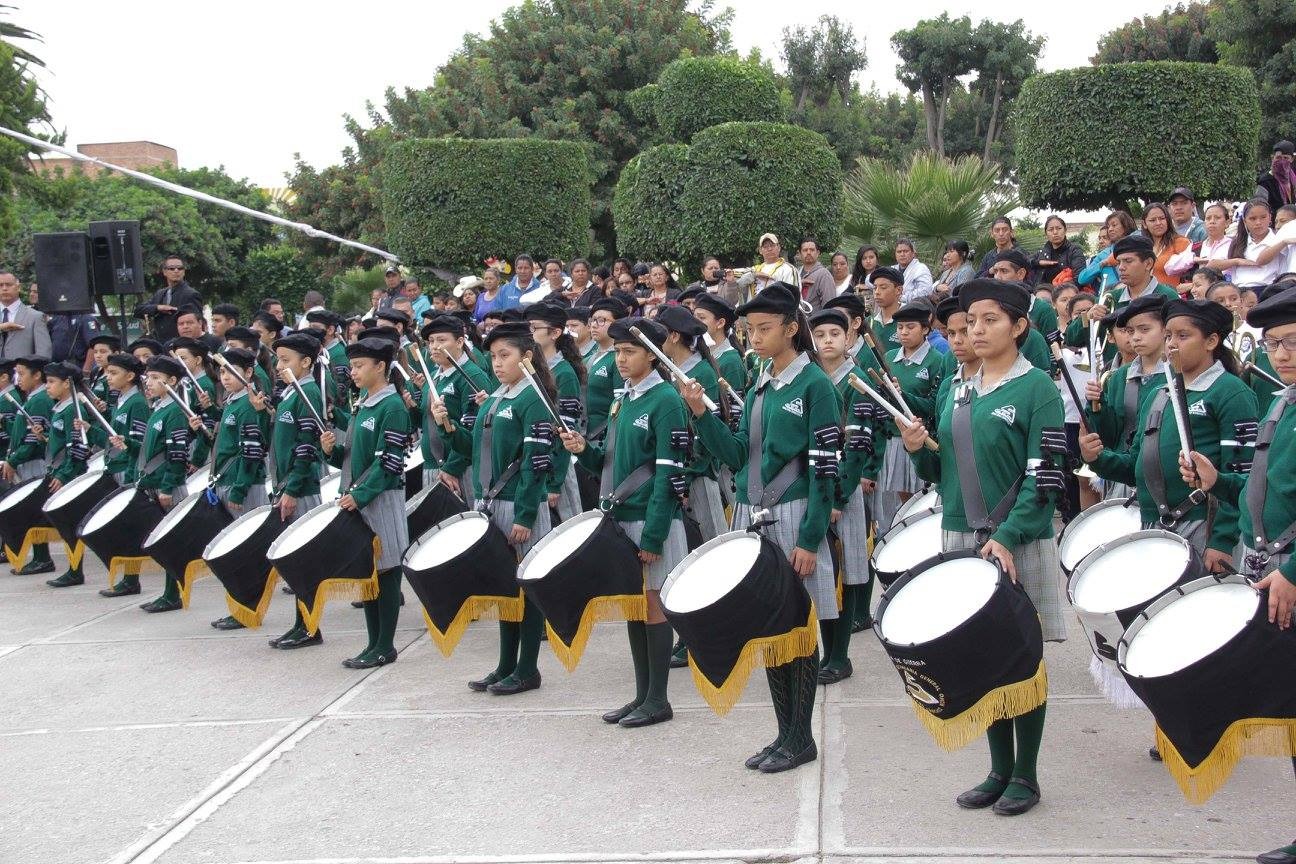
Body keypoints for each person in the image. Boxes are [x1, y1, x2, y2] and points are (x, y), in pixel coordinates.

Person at [900, 278, 1067, 816]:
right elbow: (941, 471)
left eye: (990, 319)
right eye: (971, 322)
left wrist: (1008, 537)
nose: (977, 329)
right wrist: (917, 450)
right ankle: (997, 769)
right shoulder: (957, 387)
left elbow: (1047, 478)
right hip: (960, 535)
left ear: (1019, 326)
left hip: (1017, 542)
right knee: (981, 655)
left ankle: (1026, 774)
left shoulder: (1037, 387)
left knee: (1023, 657)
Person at [682, 281, 837, 774]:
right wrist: (701, 413)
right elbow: (734, 457)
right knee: (771, 630)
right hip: (755, 518)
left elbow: (825, 472)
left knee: (798, 630)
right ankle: (783, 734)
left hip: (795, 519)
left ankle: (801, 737)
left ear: (793, 328)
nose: (755, 337)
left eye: (765, 328)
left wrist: (811, 538)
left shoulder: (816, 386)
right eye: (750, 330)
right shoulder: (759, 385)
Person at [1175, 287, 1296, 864]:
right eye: (1274, 343)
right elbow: (1258, 488)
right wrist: (1215, 479)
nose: (1282, 354)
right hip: (1270, 566)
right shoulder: (1280, 402)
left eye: (1293, 341)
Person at [559, 317, 690, 727]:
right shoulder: (624, 398)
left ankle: (658, 699)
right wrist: (584, 450)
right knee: (635, 609)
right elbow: (612, 464)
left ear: (651, 355)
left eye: (629, 351)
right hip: (620, 519)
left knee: (653, 609)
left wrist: (653, 536)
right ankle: (641, 695)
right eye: (617, 351)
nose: (620, 359)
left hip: (651, 521)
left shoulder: (666, 399)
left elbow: (669, 474)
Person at [1080, 298, 1257, 570]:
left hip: (1202, 523)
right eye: (1168, 335)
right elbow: (1136, 466)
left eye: (1183, 336)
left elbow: (1243, 477)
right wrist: (1098, 459)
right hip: (1153, 524)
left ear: (1211, 341)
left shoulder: (1230, 392)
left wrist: (1222, 540)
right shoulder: (1159, 394)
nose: (1172, 344)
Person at [434, 321, 555, 695]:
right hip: (489, 503)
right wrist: (449, 427)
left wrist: (525, 515)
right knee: (505, 588)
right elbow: (472, 448)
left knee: (526, 589)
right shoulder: (495, 397)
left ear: (527, 357)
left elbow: (537, 462)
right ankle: (506, 665)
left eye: (506, 355)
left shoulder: (533, 398)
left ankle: (528, 669)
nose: (498, 363)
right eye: (493, 357)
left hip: (518, 504)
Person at [319, 334, 410, 669]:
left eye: (359, 366)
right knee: (368, 572)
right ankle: (372, 643)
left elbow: (389, 463)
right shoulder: (362, 404)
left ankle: (385, 645)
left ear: (380, 366)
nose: (353, 373)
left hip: (380, 499)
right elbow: (353, 459)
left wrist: (359, 495)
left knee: (385, 571)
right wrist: (331, 451)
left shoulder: (392, 406)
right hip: (357, 498)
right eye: (352, 366)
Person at [809, 307, 876, 681]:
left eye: (835, 334)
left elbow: (859, 446)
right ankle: (826, 650)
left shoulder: (859, 381)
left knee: (849, 571)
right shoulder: (813, 379)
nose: (828, 341)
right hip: (817, 486)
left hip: (843, 491)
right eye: (820, 336)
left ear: (849, 338)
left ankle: (840, 655)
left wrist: (837, 496)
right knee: (824, 570)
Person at [258, 333, 329, 650]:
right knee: (294, 557)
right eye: (278, 359)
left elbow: (306, 446)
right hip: (286, 484)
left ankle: (310, 627)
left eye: (286, 360)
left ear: (306, 363)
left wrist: (292, 489)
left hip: (299, 486)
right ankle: (301, 623)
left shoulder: (308, 391)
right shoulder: (290, 392)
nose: (278, 365)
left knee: (303, 558)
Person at [202, 347, 271, 631]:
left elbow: (252, 451)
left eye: (231, 372)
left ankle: (247, 608)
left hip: (242, 486)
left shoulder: (248, 405)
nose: (225, 377)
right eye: (221, 371)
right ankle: (239, 606)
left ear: (249, 373)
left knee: (244, 550)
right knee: (233, 549)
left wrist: (240, 489)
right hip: (226, 481)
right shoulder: (233, 402)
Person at [1084, 295, 1167, 502]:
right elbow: (1112, 437)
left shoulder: (1177, 374)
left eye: (1144, 329)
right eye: (1130, 331)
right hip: (1124, 474)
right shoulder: (1120, 376)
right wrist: (1097, 407)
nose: (1135, 338)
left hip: (1164, 478)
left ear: (1166, 329)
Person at [82, 352, 150, 597]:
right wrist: (91, 431)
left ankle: (132, 579)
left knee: (130, 527)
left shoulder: (137, 404)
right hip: (116, 467)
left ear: (130, 376)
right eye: (108, 373)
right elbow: (113, 441)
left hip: (128, 471)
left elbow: (139, 445)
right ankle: (129, 578)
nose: (108, 378)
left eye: (114, 373)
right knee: (123, 527)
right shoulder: (120, 402)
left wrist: (132, 473)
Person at [136, 355, 196, 613]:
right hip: (155, 482)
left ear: (172, 381)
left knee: (170, 541)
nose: (149, 383)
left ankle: (174, 594)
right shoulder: (159, 408)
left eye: (155, 378)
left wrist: (168, 486)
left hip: (167, 486)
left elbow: (177, 454)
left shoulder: (174, 410)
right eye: (148, 378)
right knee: (161, 538)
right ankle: (169, 591)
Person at [39, 362, 93, 588]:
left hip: (69, 474)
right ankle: (72, 568)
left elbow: (78, 447)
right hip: (58, 472)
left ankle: (75, 570)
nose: (47, 387)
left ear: (67, 383)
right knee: (65, 525)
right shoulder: (61, 407)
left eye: (51, 382)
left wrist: (64, 474)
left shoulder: (73, 408)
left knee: (70, 524)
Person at [1, 356, 53, 574]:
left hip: (35, 461)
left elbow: (32, 439)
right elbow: (22, 430)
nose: (17, 379)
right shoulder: (31, 398)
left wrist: (13, 460)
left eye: (21, 374)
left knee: (34, 510)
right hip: (28, 460)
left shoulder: (39, 399)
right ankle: (40, 557)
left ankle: (43, 558)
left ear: (37, 375)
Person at [583, 298, 626, 444]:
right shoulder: (587, 358)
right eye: (593, 320)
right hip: (584, 435)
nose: (594, 325)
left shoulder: (619, 359)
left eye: (601, 320)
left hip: (605, 437)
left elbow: (621, 405)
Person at [134, 256, 202, 342]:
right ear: (164, 272)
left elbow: (198, 322)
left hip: (181, 344)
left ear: (184, 272)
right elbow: (138, 311)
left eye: (180, 268)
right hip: (160, 344)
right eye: (172, 268)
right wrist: (158, 308)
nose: (176, 271)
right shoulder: (160, 294)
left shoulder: (191, 294)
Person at [1078, 211, 1137, 292]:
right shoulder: (1104, 254)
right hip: (1109, 298)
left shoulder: (1137, 244)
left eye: (1114, 225)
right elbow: (1082, 279)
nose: (1110, 229)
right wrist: (1103, 263)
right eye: (1108, 226)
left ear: (1125, 226)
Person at [0, 271, 52, 360]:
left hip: (21, 372)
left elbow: (43, 353)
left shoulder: (35, 316)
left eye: (8, 285)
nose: (4, 288)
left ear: (18, 287)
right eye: (0, 285)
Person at [1142, 202, 1194, 289]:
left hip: (1173, 297)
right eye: (1153, 220)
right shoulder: (1142, 247)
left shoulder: (1181, 242)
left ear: (1168, 220)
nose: (1158, 223)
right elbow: (1113, 258)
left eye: (1162, 218)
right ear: (1144, 224)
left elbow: (1194, 275)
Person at [731, 233, 798, 300]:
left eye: (772, 245)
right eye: (765, 246)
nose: (769, 249)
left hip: (777, 309)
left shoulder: (789, 269)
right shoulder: (755, 269)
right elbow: (732, 277)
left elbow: (793, 297)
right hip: (754, 309)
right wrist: (754, 275)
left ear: (779, 248)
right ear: (760, 250)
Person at [1031, 216, 1087, 287]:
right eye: (1050, 230)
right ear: (1046, 233)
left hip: (1067, 293)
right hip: (1043, 293)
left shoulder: (1074, 250)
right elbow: (1026, 261)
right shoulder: (1042, 252)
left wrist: (1060, 291)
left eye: (1059, 228)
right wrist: (1038, 263)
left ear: (1065, 230)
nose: (1055, 232)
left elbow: (1079, 278)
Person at [1255, 139, 1296, 216]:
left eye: (1286, 158)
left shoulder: (1293, 179)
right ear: (1272, 158)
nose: (1282, 161)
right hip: (1274, 223)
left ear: (1292, 159)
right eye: (1278, 158)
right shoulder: (1265, 181)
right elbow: (1259, 206)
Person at [869, 267, 904, 352]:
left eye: (883, 287)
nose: (877, 292)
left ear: (898, 290)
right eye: (875, 288)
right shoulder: (869, 322)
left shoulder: (910, 321)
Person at [797, 237, 838, 311]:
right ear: (800, 253)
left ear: (818, 253)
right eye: (805, 250)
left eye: (812, 250)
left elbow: (829, 306)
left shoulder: (824, 275)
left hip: (814, 321)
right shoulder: (796, 273)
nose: (808, 252)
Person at [895, 238, 933, 303]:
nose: (902, 254)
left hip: (915, 309)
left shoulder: (921, 268)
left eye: (905, 251)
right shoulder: (892, 269)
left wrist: (902, 298)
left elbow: (926, 290)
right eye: (899, 252)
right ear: (895, 254)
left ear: (913, 254)